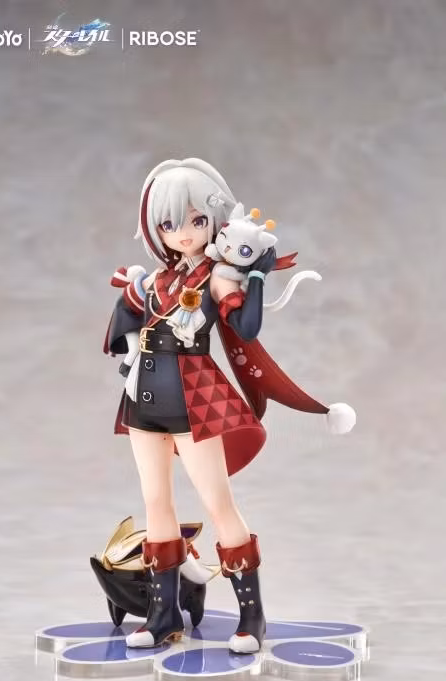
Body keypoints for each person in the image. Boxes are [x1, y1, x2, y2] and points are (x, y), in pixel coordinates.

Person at [104, 158, 356, 653]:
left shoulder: (217, 278)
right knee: (156, 502)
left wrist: (255, 277)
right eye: (169, 223)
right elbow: (126, 315)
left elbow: (246, 328)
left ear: (214, 221)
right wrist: (126, 338)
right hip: (143, 396)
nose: (183, 233)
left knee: (218, 503)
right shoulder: (156, 279)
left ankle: (252, 616)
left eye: (197, 220)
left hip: (191, 398)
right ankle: (163, 615)